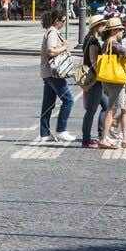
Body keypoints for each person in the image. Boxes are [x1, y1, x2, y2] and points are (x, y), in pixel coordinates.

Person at [80, 18, 120, 149]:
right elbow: (93, 60)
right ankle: (86, 140)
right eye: (102, 25)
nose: (104, 27)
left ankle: (101, 133)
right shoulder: (92, 40)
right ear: (96, 26)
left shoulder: (90, 39)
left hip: (96, 80)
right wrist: (101, 75)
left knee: (107, 105)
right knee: (91, 110)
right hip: (94, 80)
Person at [38, 9, 76, 142]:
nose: (64, 23)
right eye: (63, 21)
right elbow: (51, 51)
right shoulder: (53, 32)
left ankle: (44, 134)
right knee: (69, 100)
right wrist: (64, 47)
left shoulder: (51, 31)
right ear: (57, 20)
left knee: (48, 104)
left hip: (47, 73)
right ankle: (61, 130)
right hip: (54, 73)